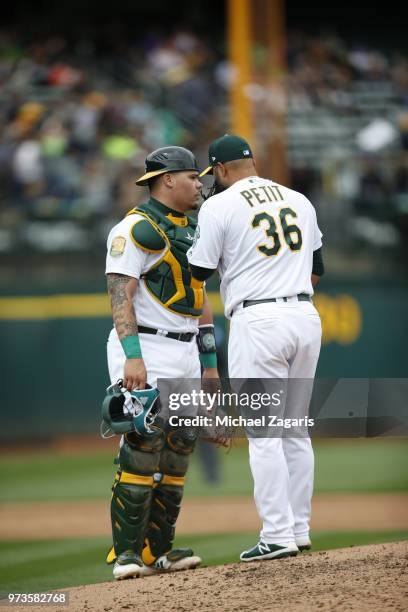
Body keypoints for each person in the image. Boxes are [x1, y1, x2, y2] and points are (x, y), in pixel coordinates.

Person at [187, 134, 324, 562]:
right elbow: (317, 269)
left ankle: (277, 534)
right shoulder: (298, 199)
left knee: (264, 435)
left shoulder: (219, 205)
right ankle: (298, 529)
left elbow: (198, 271)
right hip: (304, 314)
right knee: (295, 430)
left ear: (221, 169)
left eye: (213, 173)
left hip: (258, 320)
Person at [105, 145, 219, 580]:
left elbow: (200, 299)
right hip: (146, 348)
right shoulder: (135, 228)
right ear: (167, 179)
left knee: (178, 453)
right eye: (193, 177)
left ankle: (160, 551)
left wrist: (209, 367)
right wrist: (133, 358)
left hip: (185, 347)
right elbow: (120, 294)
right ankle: (128, 554)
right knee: (142, 446)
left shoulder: (195, 225)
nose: (199, 184)